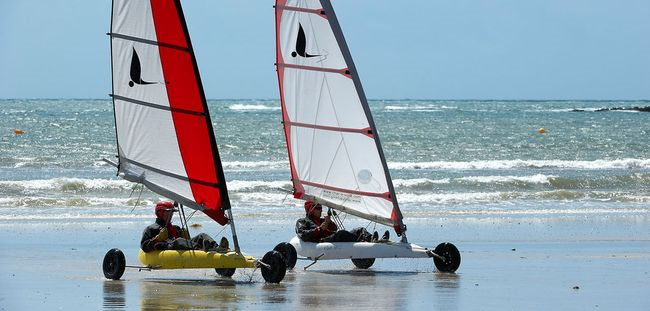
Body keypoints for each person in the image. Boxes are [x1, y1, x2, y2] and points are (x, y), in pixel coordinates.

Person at [140, 201, 229, 253]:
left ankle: (217, 248)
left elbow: (185, 242)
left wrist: (186, 237)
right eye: (169, 212)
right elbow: (144, 246)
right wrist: (156, 239)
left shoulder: (176, 228)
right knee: (179, 241)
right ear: (160, 213)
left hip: (180, 246)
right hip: (167, 247)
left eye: (172, 212)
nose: (171, 214)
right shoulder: (151, 228)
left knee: (202, 235)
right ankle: (202, 249)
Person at [295, 201, 389, 243]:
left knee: (360, 229)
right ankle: (363, 240)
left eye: (321, 208)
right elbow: (303, 234)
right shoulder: (302, 221)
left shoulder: (322, 220)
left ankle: (373, 239)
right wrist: (319, 229)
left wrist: (329, 223)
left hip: (330, 238)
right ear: (310, 210)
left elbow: (334, 228)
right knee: (341, 234)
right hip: (321, 241)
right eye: (318, 208)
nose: (320, 210)